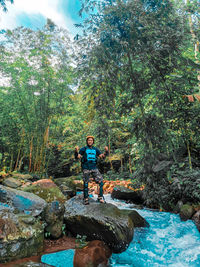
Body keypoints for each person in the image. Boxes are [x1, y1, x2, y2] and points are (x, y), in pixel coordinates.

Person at [75, 136, 109, 205]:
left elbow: (102, 157)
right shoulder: (83, 149)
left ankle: (100, 197)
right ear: (87, 141)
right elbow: (77, 157)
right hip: (86, 167)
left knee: (100, 182)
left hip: (94, 167)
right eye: (89, 140)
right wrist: (76, 151)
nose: (90, 141)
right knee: (86, 183)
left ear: (93, 141)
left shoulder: (96, 149)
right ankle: (86, 199)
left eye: (91, 140)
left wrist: (106, 151)